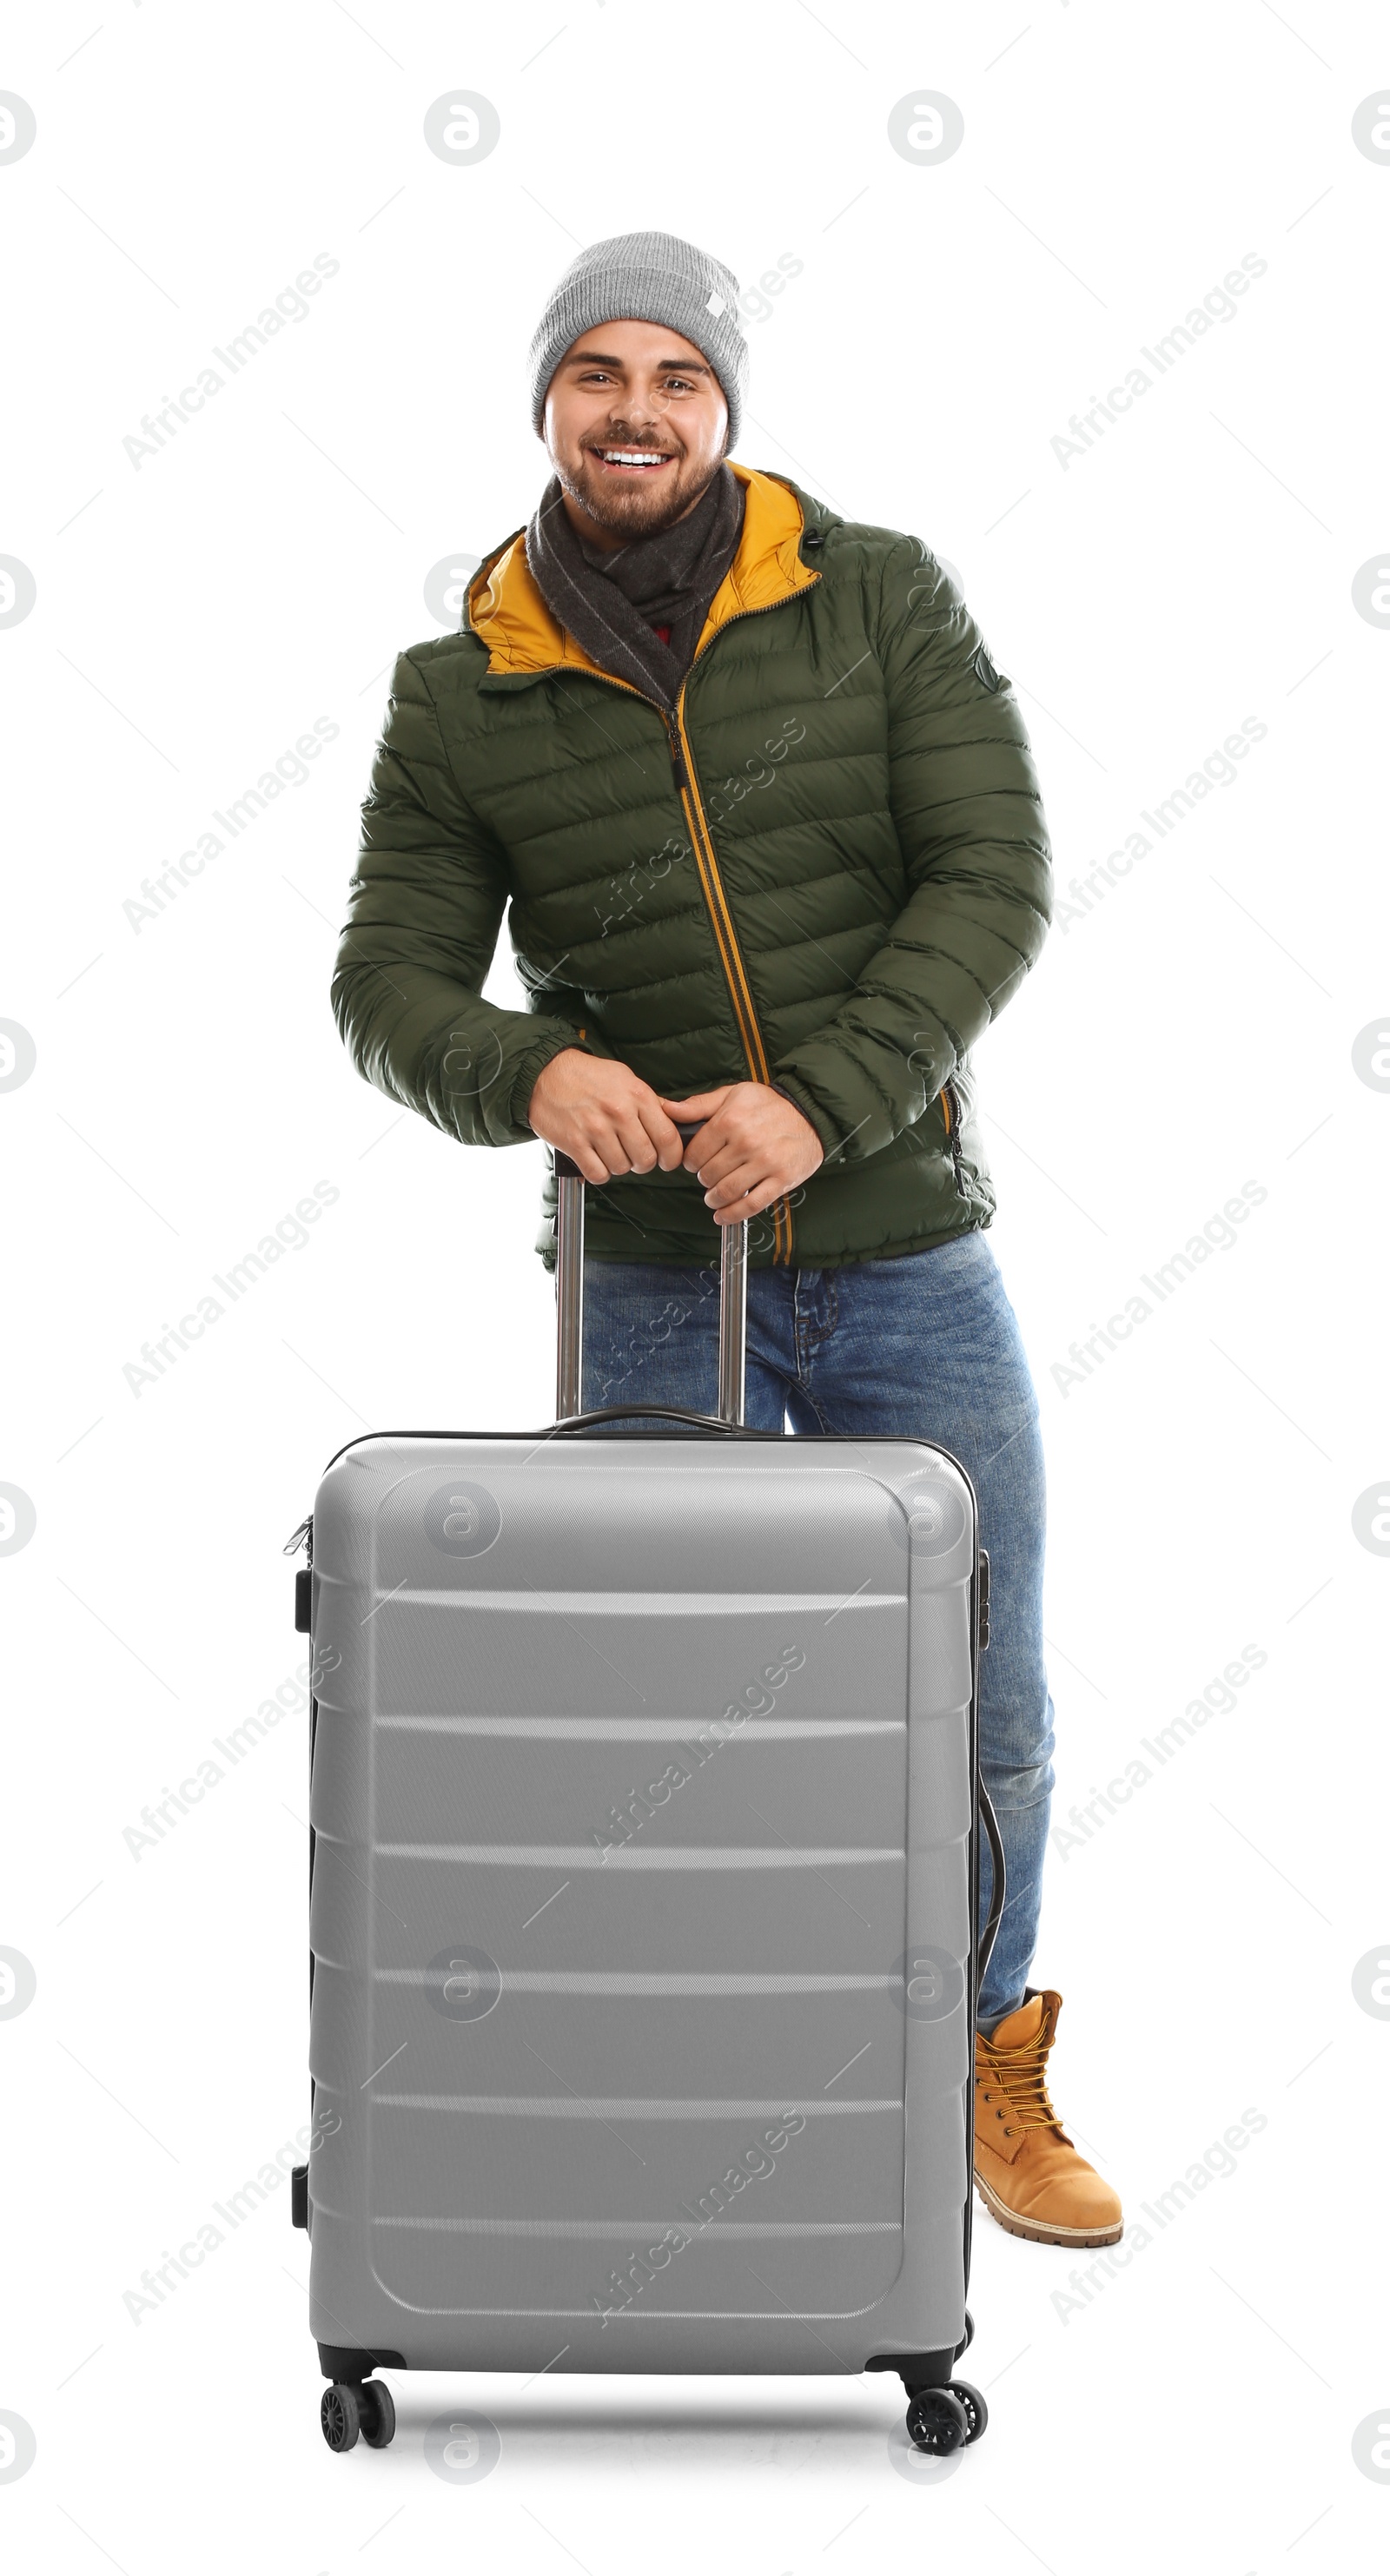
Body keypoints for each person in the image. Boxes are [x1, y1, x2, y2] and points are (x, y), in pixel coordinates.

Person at [332, 229, 1122, 2250]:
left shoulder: (873, 597)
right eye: (595, 374)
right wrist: (524, 1073)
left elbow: (992, 872)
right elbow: (387, 977)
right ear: (544, 403)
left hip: (905, 1251)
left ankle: (970, 2058)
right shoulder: (463, 686)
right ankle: (709, 2080)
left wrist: (828, 1093)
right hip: (654, 1279)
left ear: (723, 406)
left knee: (984, 1692)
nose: (633, 411)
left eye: (672, 376)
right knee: (670, 1728)